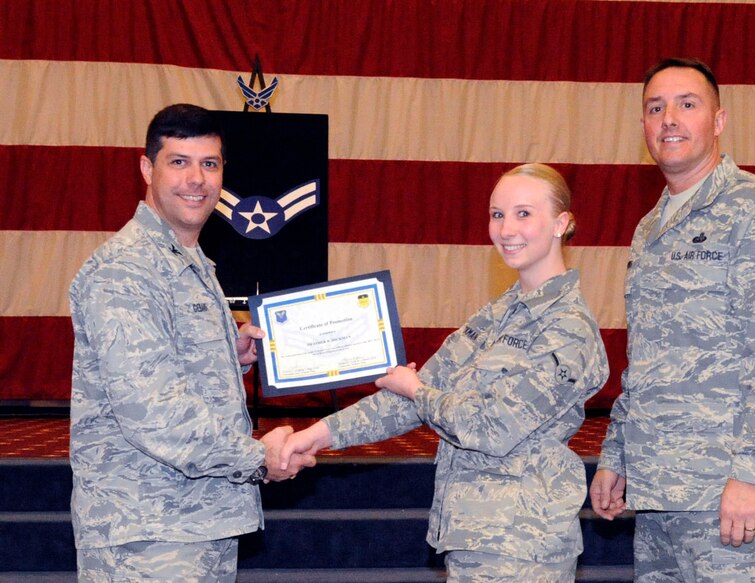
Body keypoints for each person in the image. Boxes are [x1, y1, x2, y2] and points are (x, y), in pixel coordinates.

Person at [279, 163, 609, 581]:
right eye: (497, 214)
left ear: (561, 222)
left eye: (524, 213)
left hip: (523, 548)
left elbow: (490, 429)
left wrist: (418, 392)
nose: (507, 229)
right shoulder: (496, 315)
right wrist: (314, 436)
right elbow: (410, 399)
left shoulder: (566, 328)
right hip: (474, 538)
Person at [589, 58, 755, 581]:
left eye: (687, 104)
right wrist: (617, 455)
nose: (669, 118)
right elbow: (647, 361)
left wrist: (751, 472)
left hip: (730, 498)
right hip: (659, 496)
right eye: (656, 108)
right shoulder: (649, 229)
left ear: (718, 121)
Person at [69, 103, 315, 582]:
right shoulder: (125, 271)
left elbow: (168, 363)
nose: (196, 180)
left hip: (197, 521)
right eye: (178, 162)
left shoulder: (190, 260)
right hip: (146, 532)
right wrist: (258, 457)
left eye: (210, 164)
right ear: (147, 168)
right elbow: (152, 411)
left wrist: (233, 357)